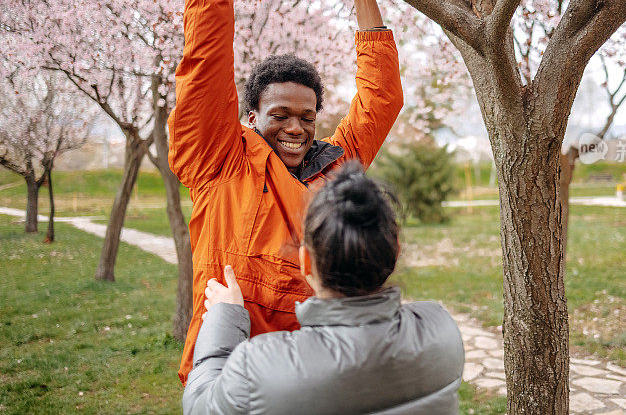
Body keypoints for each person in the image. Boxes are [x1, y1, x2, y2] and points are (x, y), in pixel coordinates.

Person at [168, 0, 404, 384]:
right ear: (250, 116)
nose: (295, 128)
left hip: (316, 375)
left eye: (307, 115)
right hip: (235, 375)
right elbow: (206, 57)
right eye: (280, 115)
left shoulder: (336, 165)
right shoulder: (219, 160)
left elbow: (380, 98)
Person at [182, 164, 465, 414]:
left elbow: (199, 404)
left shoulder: (259, 367)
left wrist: (226, 316)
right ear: (395, 252)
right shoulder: (441, 330)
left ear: (305, 262)